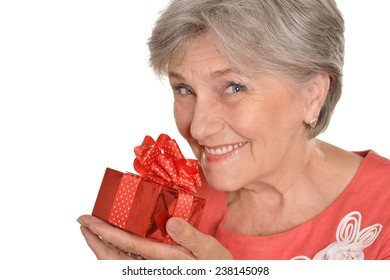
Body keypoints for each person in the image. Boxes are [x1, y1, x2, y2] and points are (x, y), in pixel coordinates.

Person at [77, 0, 390, 260]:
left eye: (234, 87)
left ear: (313, 95)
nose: (198, 128)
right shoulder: (169, 205)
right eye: (184, 89)